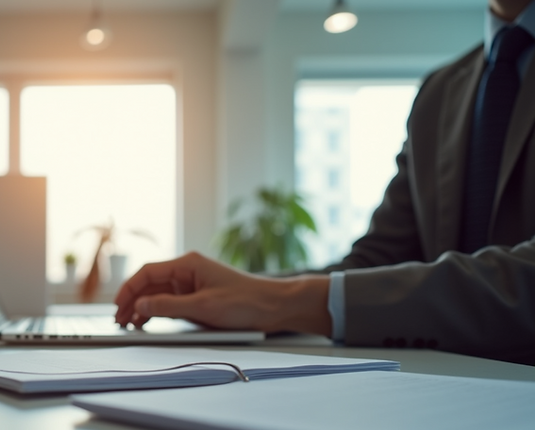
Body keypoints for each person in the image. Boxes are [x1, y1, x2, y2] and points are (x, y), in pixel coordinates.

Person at [114, 0, 535, 365]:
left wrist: (275, 301)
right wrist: (244, 292)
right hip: (448, 388)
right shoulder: (440, 91)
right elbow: (377, 262)